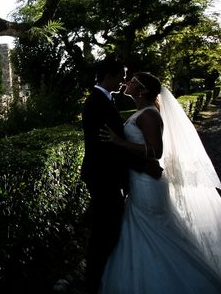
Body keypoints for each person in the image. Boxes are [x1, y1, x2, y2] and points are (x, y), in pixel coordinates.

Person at [100, 72, 221, 293]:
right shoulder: (141, 112)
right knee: (143, 229)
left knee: (155, 229)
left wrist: (119, 142)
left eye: (133, 81)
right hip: (139, 180)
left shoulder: (149, 115)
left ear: (143, 90)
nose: (128, 82)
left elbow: (156, 151)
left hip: (148, 183)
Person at [80, 59, 162, 294]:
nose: (124, 81)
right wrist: (143, 166)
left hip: (109, 177)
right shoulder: (96, 102)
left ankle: (97, 277)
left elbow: (119, 143)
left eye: (129, 78)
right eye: (121, 76)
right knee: (104, 232)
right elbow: (109, 147)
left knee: (107, 229)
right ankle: (93, 282)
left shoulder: (105, 100)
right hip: (103, 177)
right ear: (108, 76)